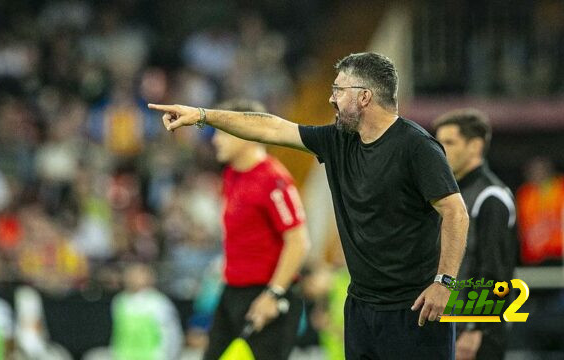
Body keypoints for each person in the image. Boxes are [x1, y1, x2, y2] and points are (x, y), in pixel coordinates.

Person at [149, 52, 469, 359]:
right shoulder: (337, 140)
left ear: (365, 97)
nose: (331, 99)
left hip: (414, 307)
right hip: (361, 307)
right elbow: (270, 126)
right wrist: (203, 116)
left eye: (338, 90)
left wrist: (444, 282)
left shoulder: (416, 147)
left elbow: (455, 213)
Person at [201, 99, 309, 360]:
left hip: (266, 294)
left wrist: (273, 295)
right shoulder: (231, 174)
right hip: (232, 291)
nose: (215, 140)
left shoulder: (273, 178)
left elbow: (299, 242)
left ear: (247, 132)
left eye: (221, 131)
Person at [434, 109, 518, 360]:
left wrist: (475, 328)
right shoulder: (450, 197)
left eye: (449, 142)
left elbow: (494, 272)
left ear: (475, 146)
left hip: (476, 334)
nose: (441, 149)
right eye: (438, 143)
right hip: (450, 325)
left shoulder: (491, 197)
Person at [111, 263, 183, 360]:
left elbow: (171, 335)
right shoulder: (119, 301)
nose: (132, 277)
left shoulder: (159, 303)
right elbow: (117, 334)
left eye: (139, 274)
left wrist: (167, 356)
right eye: (131, 274)